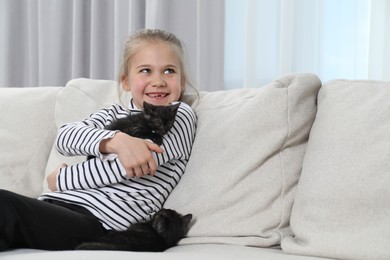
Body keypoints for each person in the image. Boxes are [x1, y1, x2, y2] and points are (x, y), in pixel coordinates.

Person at [0, 29, 197, 251]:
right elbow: (65, 137)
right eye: (145, 71)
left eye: (169, 71)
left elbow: (133, 164)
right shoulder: (112, 113)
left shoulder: (178, 115)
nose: (158, 81)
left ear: (182, 82)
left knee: (5, 206)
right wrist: (115, 140)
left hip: (101, 221)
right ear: (125, 81)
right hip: (53, 206)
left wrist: (60, 179)